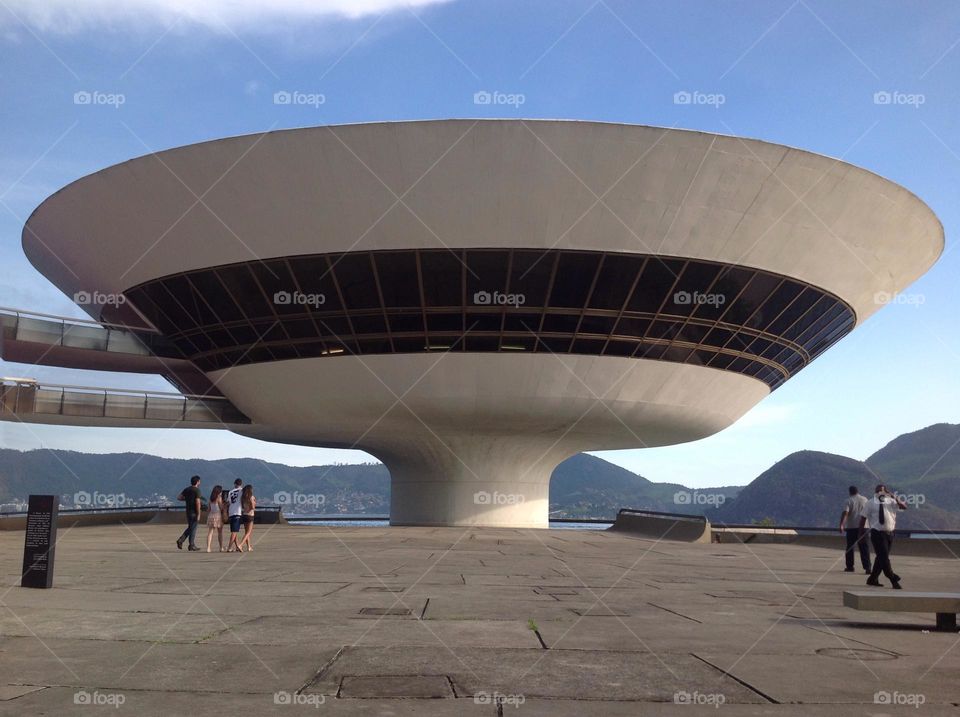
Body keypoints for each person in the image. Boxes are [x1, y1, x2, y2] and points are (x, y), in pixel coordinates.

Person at [860, 484, 908, 589]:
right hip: (877, 533)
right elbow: (863, 518)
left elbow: (904, 506)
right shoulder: (870, 503)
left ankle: (872, 579)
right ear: (875, 492)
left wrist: (893, 496)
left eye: (883, 490)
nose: (880, 492)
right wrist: (861, 533)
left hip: (890, 533)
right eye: (878, 490)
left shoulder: (891, 501)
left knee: (881, 558)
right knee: (884, 557)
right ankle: (893, 578)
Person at [839, 486, 871, 573]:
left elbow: (845, 513)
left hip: (852, 527)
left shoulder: (848, 500)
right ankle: (867, 567)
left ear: (850, 492)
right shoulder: (865, 499)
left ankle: (850, 566)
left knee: (850, 547)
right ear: (858, 491)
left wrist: (842, 524)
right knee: (864, 548)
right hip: (864, 527)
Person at [176, 475, 202, 551]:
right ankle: (189, 544)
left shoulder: (187, 489)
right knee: (193, 528)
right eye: (199, 481)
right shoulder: (197, 490)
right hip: (194, 512)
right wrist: (199, 513)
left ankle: (186, 542)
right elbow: (198, 503)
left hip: (188, 511)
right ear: (197, 482)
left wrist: (187, 499)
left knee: (191, 527)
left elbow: (179, 497)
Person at [236, 484, 256, 553]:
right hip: (250, 515)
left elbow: (242, 506)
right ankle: (240, 545)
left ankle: (249, 547)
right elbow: (253, 507)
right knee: (248, 532)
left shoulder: (243, 498)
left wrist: (246, 509)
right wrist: (254, 503)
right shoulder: (251, 497)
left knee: (246, 532)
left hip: (244, 515)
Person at [226, 479, 244, 553]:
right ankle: (229, 547)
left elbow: (228, 502)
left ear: (234, 484)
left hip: (231, 512)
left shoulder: (231, 491)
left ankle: (237, 546)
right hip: (238, 512)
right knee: (234, 531)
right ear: (241, 484)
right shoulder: (242, 491)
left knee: (234, 530)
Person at [206, 484, 225, 553]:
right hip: (218, 516)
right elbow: (221, 508)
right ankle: (221, 547)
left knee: (210, 532)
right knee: (220, 532)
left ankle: (208, 548)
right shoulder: (219, 498)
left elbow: (208, 509)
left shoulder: (211, 498)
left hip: (211, 516)